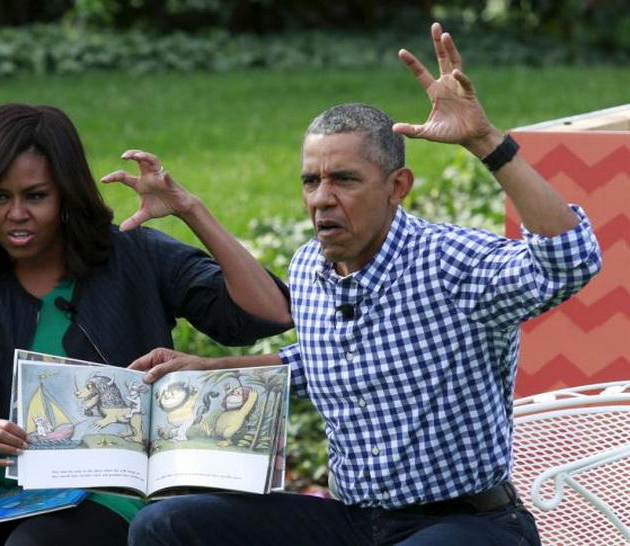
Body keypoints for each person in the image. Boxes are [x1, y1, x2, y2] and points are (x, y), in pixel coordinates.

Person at [126, 22, 602, 545]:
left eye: (344, 180)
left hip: (466, 522)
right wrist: (210, 368)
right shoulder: (310, 267)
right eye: (312, 180)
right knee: (166, 525)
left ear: (397, 186)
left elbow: (569, 261)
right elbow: (321, 361)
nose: (321, 198)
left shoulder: (450, 261)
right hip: (355, 521)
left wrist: (487, 142)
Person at [0, 103, 292, 546]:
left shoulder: (131, 255)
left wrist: (190, 209)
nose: (16, 213)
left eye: (35, 196)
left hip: (109, 494)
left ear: (66, 194)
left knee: (36, 544)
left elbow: (267, 314)